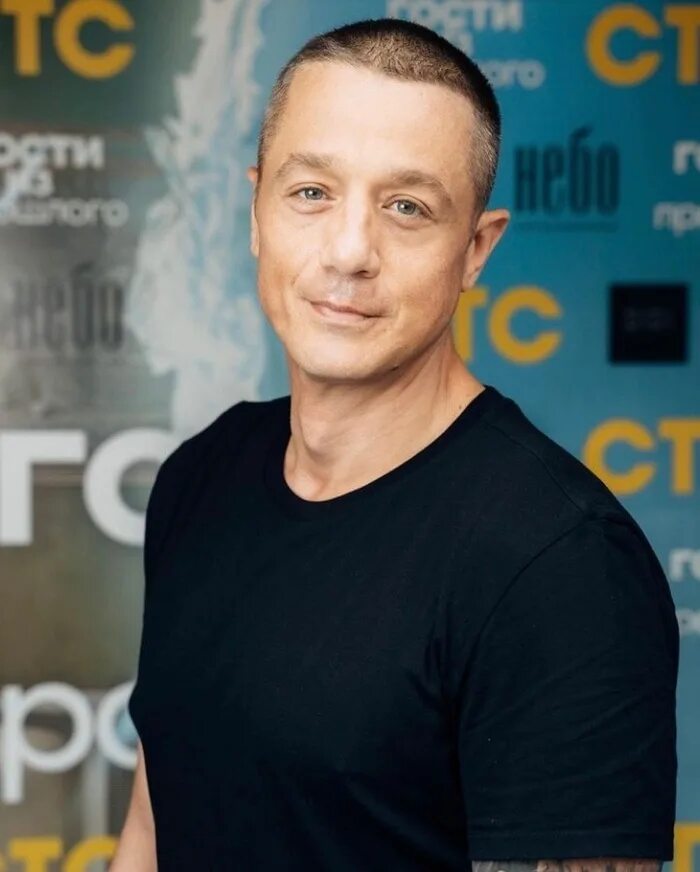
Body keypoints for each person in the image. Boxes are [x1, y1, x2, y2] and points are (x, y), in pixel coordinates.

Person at [111, 17, 678, 872]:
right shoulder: (202, 476)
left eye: (407, 207)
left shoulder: (563, 567)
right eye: (312, 192)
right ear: (257, 209)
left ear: (475, 250)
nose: (349, 252)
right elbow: (153, 831)